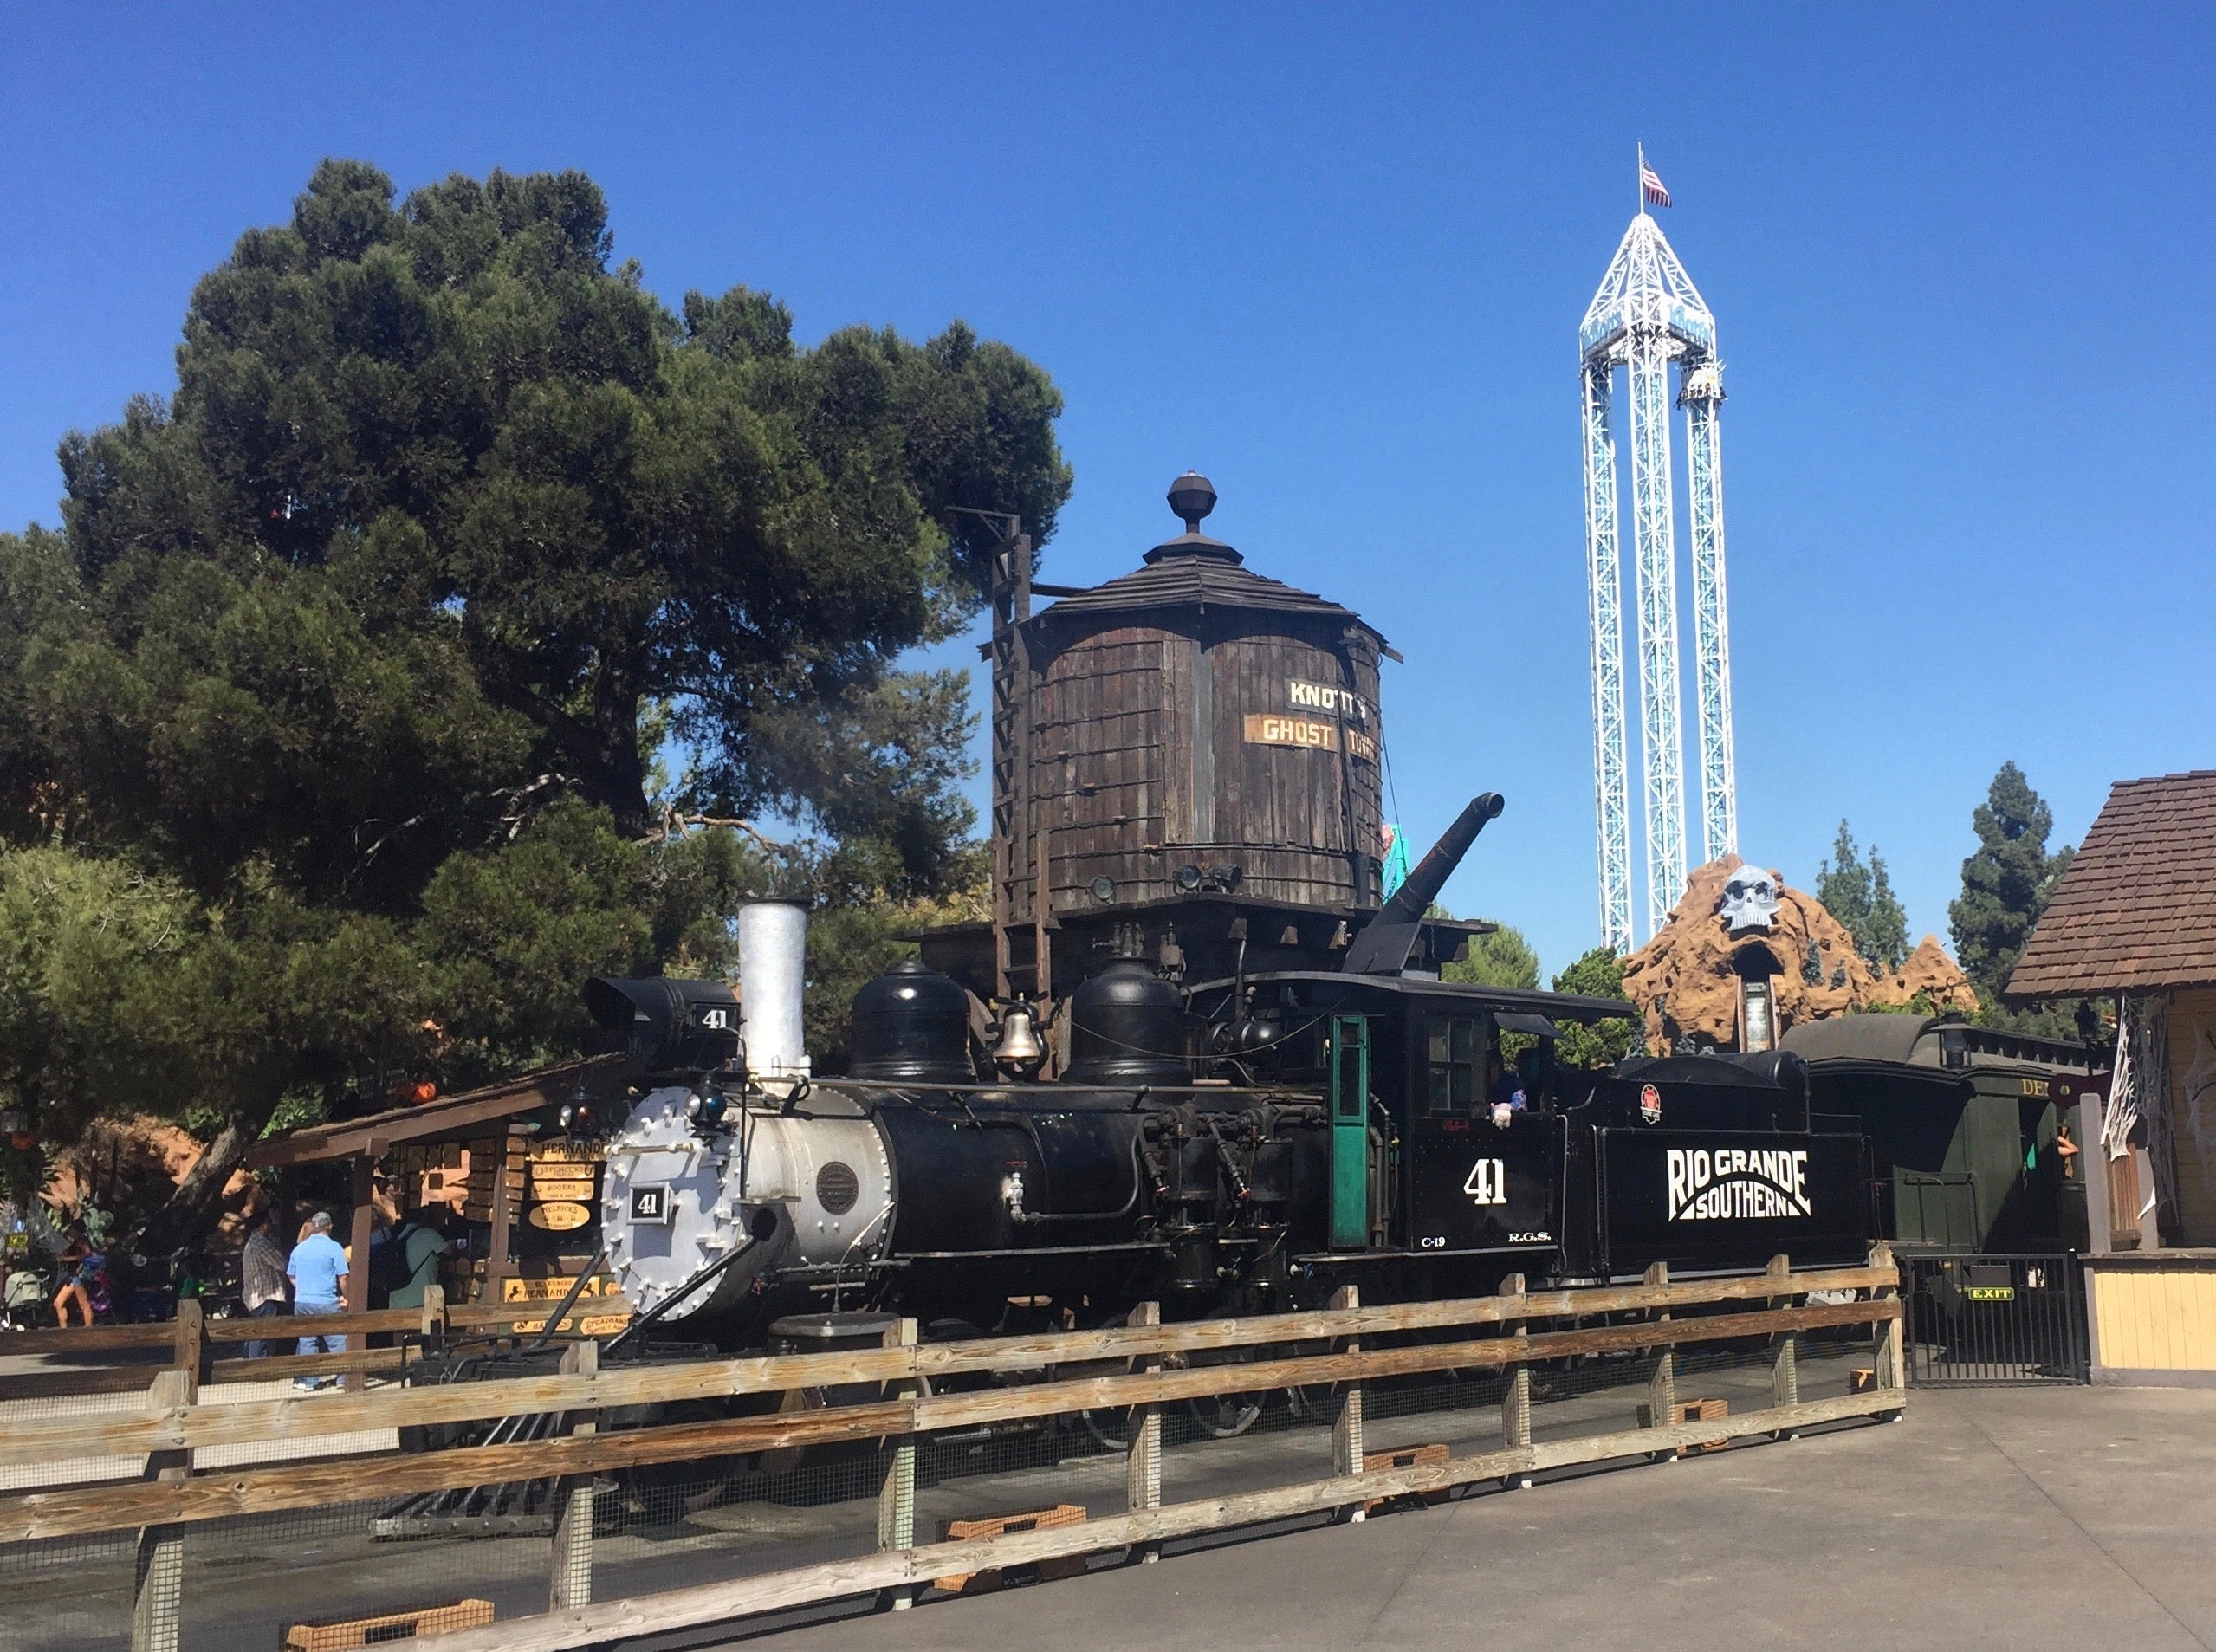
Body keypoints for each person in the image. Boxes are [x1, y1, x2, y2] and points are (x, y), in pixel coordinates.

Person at [286, 1210, 350, 1390]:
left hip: (302, 1301)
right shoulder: (334, 1248)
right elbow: (343, 1277)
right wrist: (347, 1297)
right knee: (337, 1340)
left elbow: (291, 1276)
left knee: (307, 1341)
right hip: (326, 1300)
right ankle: (342, 1378)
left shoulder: (299, 1249)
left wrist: (304, 1288)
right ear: (330, 1226)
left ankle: (309, 1381)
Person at [239, 1208, 290, 1358]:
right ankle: (259, 1364)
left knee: (255, 1331)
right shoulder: (260, 1242)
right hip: (264, 1295)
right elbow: (280, 1264)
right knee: (264, 1333)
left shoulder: (251, 1243)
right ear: (263, 1226)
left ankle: (249, 1360)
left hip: (253, 1296)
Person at [382, 1211, 453, 1315]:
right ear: (424, 1220)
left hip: (396, 1300)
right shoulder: (428, 1233)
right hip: (421, 1299)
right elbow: (449, 1251)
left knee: (402, 1330)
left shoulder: (399, 1237)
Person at [52, 1222, 95, 1327]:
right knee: (58, 1303)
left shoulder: (82, 1241)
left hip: (79, 1275)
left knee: (83, 1303)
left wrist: (67, 1259)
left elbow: (88, 1254)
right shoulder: (74, 1242)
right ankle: (64, 1329)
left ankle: (89, 1329)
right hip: (72, 1276)